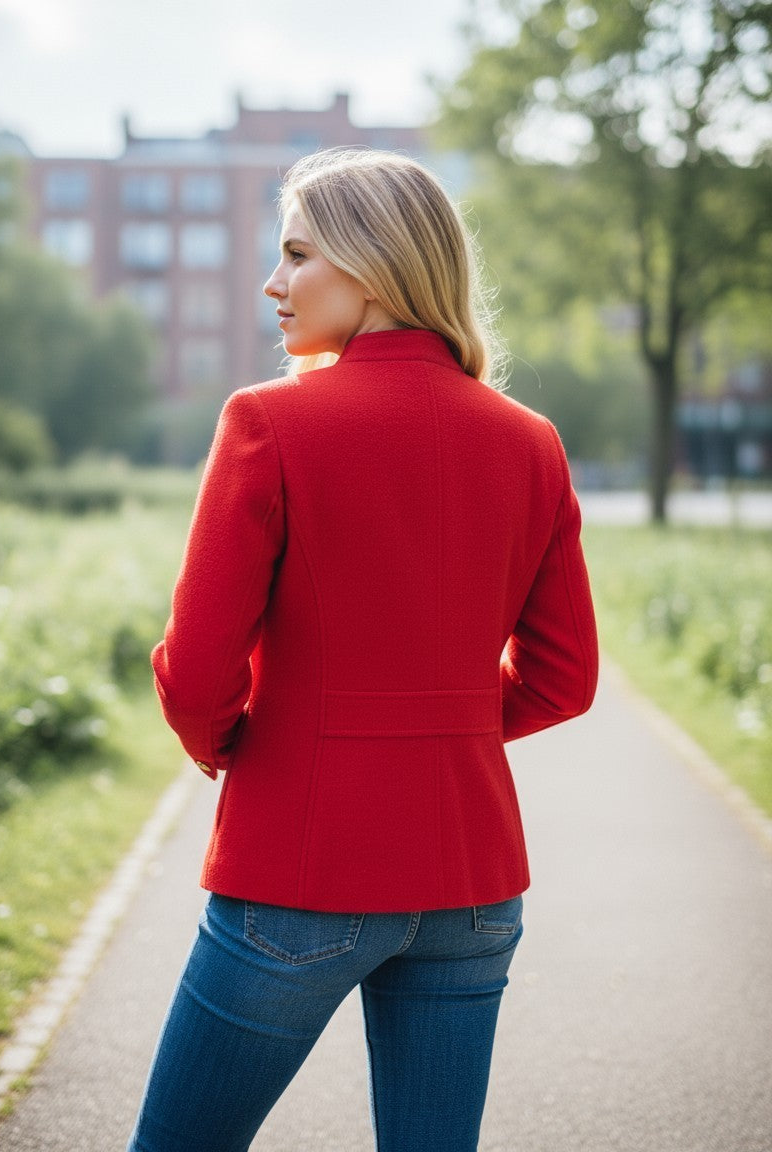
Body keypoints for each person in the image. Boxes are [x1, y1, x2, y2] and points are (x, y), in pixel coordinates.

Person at [126, 147, 599, 1152]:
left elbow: (197, 667)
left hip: (299, 870)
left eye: (296, 254)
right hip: (473, 885)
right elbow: (565, 679)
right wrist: (449, 728)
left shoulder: (269, 421)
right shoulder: (532, 442)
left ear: (374, 266)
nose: (272, 283)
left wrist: (237, 742)